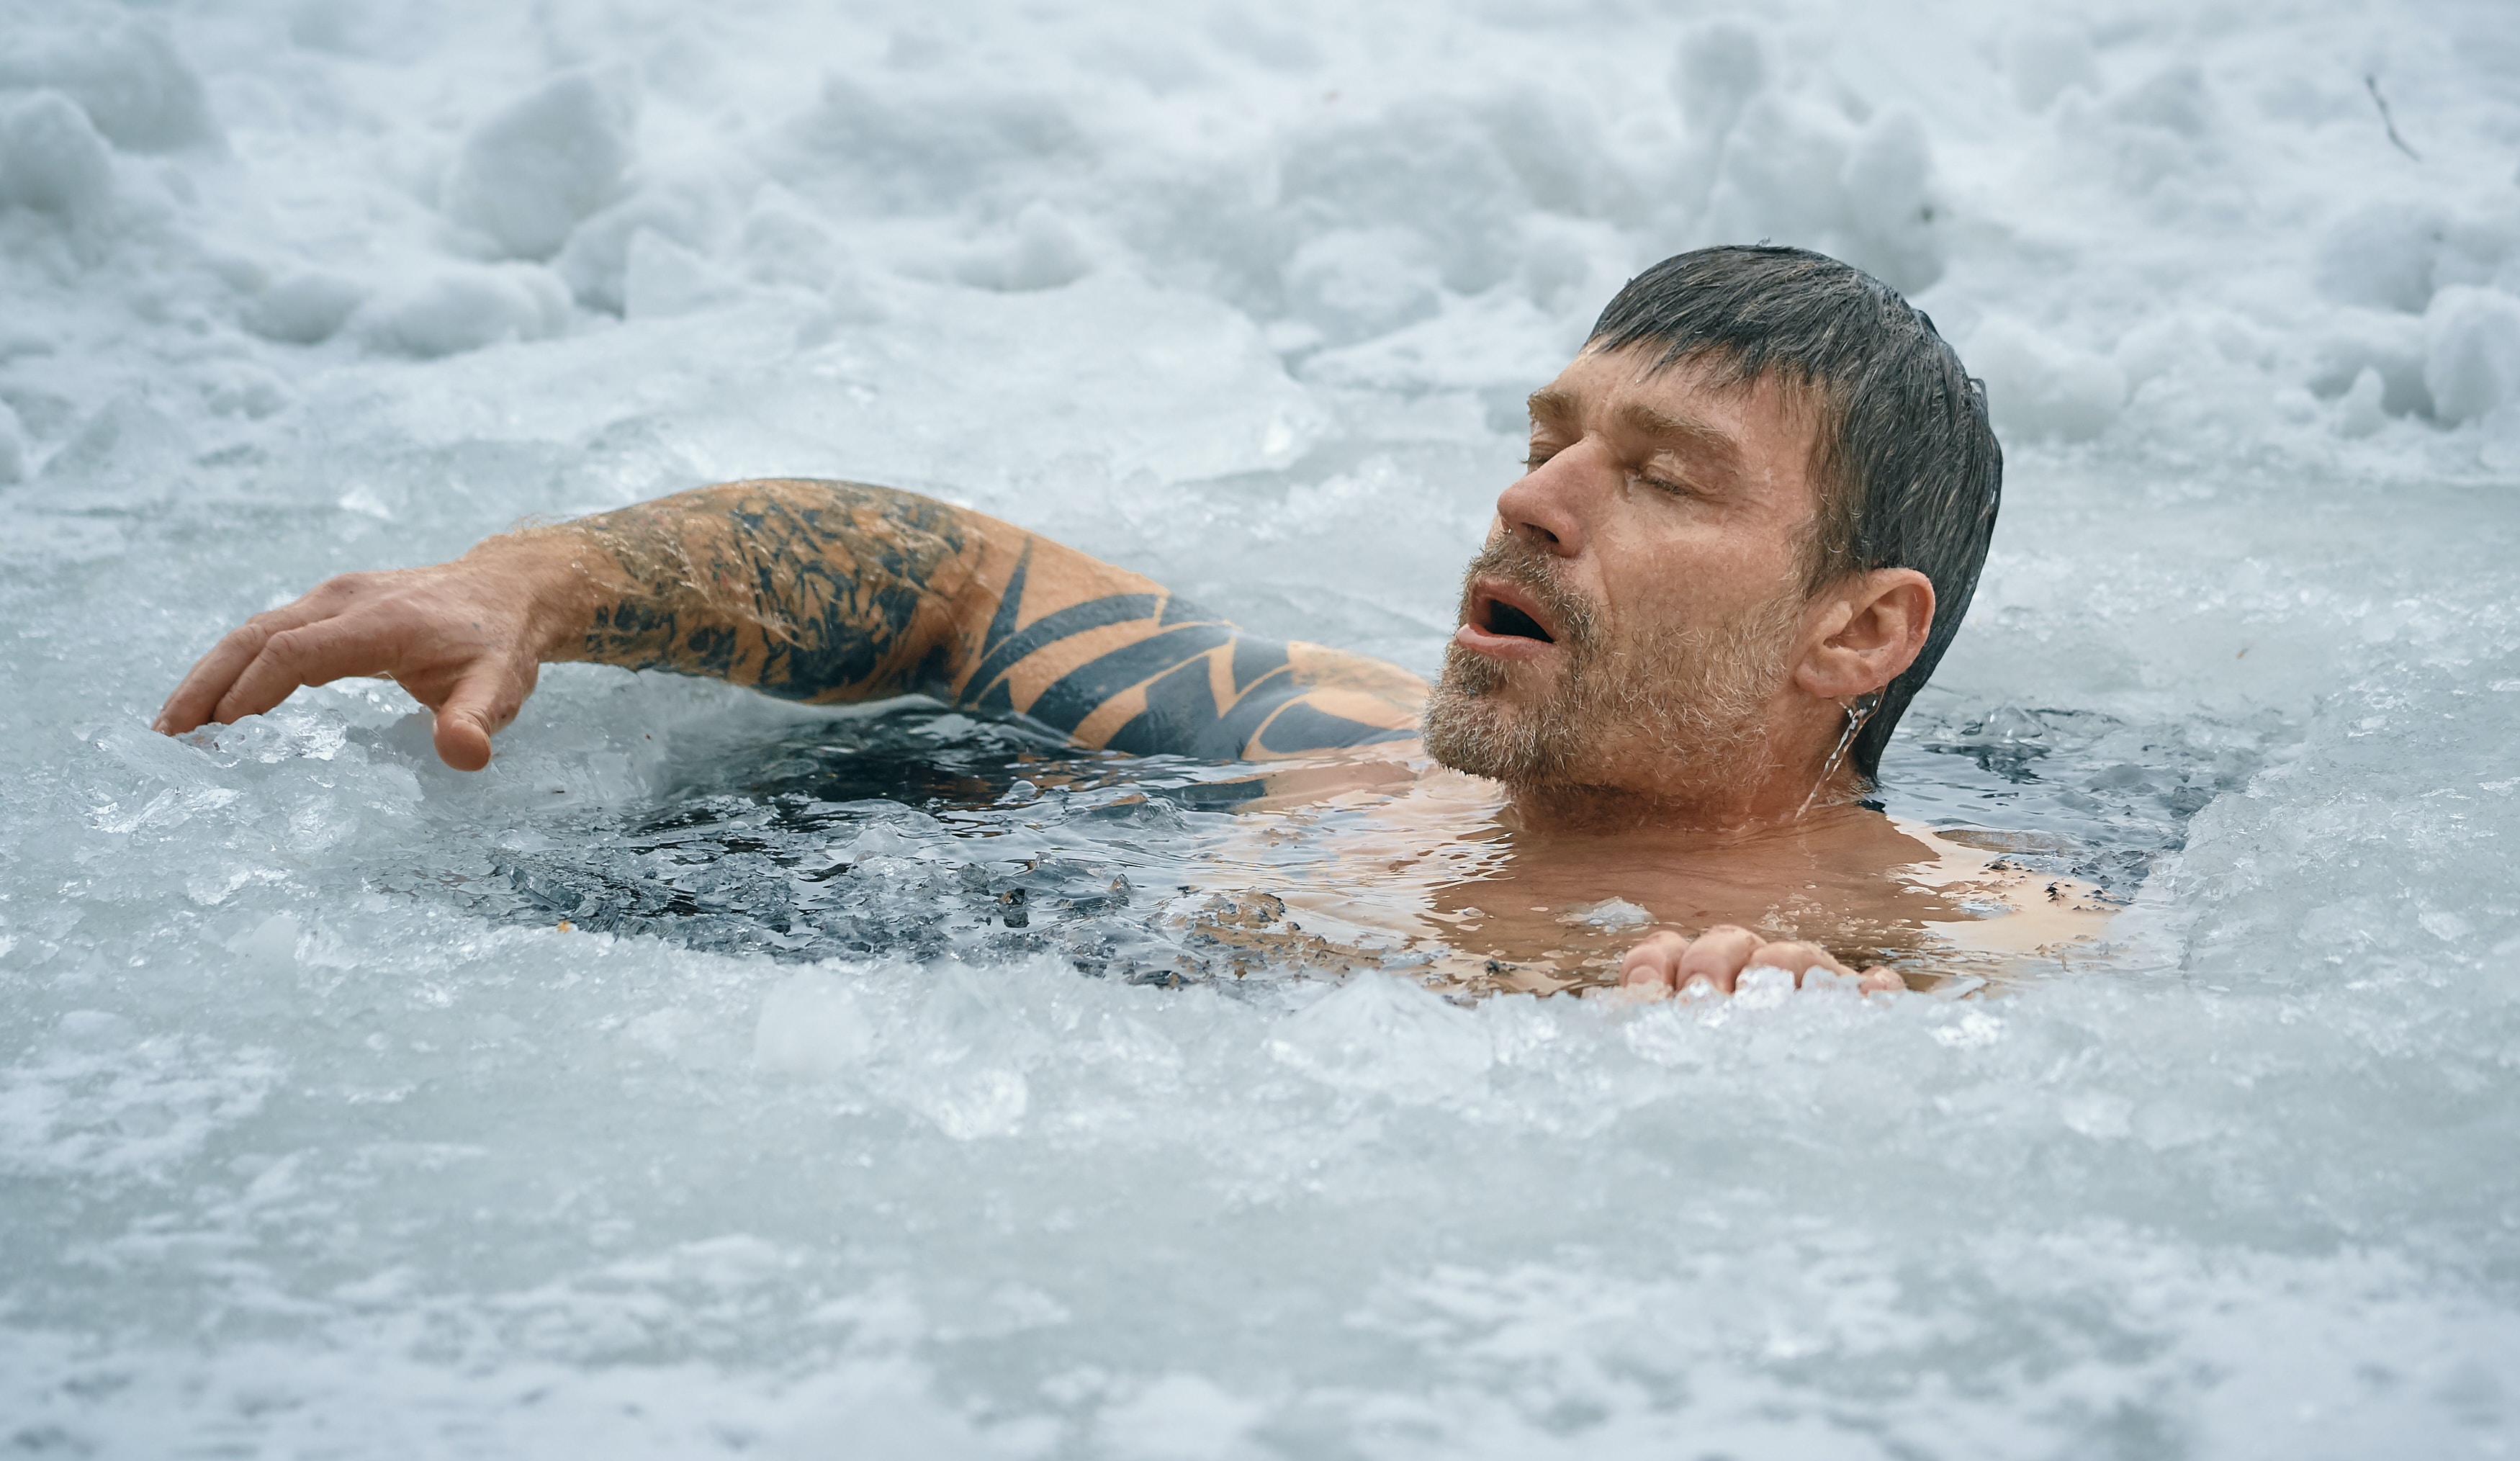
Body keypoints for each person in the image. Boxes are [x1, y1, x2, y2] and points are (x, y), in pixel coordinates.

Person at [158, 246, 2092, 997]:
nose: (1528, 497)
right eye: (1544, 436)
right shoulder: (1327, 748)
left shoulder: (1952, 949)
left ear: (1856, 632)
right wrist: (550, 577)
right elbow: (959, 586)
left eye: (1658, 477)